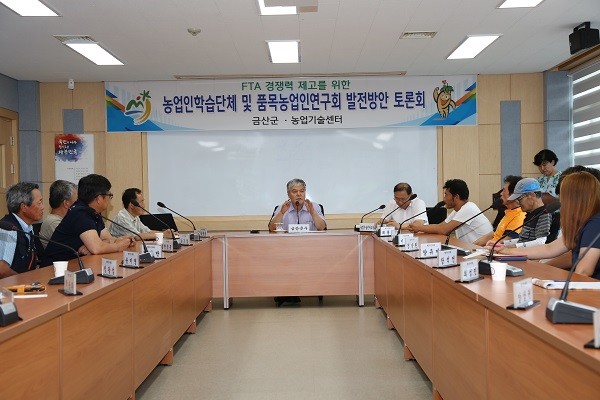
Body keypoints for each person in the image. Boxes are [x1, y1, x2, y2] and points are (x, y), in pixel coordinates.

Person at [498, 171, 600, 279]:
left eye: (562, 197)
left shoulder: (595, 224)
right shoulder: (582, 223)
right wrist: (508, 251)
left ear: (574, 200)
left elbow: (583, 271)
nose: (561, 203)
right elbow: (550, 248)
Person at [42, 174, 135, 265]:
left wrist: (123, 240)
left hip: (75, 264)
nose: (110, 198)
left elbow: (107, 239)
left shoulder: (93, 211)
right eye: (109, 195)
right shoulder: (80, 212)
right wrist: (117, 246)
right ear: (99, 198)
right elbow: (97, 248)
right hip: (55, 268)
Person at [408, 179, 492, 244]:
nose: (444, 198)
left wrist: (419, 227)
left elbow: (444, 230)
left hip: (482, 250)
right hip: (470, 249)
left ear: (456, 197)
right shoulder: (458, 210)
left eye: (446, 194)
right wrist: (420, 228)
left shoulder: (468, 208)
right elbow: (441, 226)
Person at [0, 182, 44, 278]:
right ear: (24, 207)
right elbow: (2, 270)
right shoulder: (9, 230)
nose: (42, 207)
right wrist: (25, 282)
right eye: (39, 203)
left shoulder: (28, 228)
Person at [474, 175, 526, 247]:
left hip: (496, 250)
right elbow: (493, 234)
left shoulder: (519, 215)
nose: (501, 194)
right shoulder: (509, 212)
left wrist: (486, 248)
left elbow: (507, 241)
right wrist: (472, 245)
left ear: (513, 194)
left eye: (504, 190)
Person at [503, 178, 552, 248]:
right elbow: (523, 240)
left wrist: (514, 247)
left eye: (519, 199)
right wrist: (503, 244)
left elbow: (540, 242)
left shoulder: (544, 214)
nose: (518, 203)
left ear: (532, 195)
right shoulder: (529, 214)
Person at [109, 188, 173, 240]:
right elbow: (137, 236)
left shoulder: (135, 217)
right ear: (132, 205)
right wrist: (163, 235)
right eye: (141, 202)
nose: (144, 205)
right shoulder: (122, 217)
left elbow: (148, 231)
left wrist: (165, 233)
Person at [39, 180, 78, 248]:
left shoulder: (65, 220)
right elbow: (77, 245)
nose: (78, 204)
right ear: (66, 203)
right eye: (76, 201)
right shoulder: (53, 222)